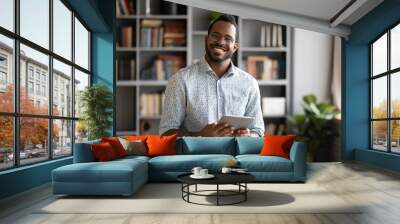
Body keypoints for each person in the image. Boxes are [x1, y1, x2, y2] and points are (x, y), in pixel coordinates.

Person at [159, 14, 264, 137]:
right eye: (215, 36)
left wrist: (248, 136)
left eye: (228, 39)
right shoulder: (180, 80)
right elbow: (165, 134)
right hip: (196, 156)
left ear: (235, 47)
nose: (220, 42)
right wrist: (200, 135)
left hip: (235, 156)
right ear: (206, 39)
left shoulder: (249, 84)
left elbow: (258, 130)